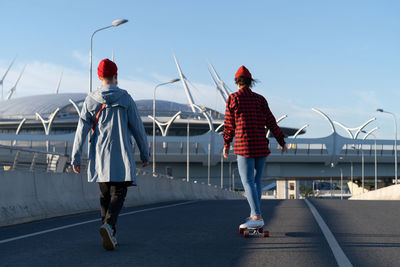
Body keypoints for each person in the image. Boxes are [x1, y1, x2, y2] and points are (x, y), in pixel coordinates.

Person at [71, 59, 150, 251]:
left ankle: (109, 232)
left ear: (99, 77)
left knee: (104, 195)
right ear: (115, 76)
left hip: (99, 157)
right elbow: (138, 128)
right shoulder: (125, 98)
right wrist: (145, 153)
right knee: (119, 194)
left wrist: (75, 157)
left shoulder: (90, 100)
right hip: (121, 156)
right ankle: (109, 226)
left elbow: (81, 130)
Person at [223, 65, 287, 229]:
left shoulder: (233, 98)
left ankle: (257, 217)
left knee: (247, 181)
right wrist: (281, 141)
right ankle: (254, 214)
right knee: (257, 181)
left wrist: (226, 144)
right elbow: (271, 122)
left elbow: (229, 126)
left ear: (237, 82)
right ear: (251, 82)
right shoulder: (260, 99)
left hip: (244, 146)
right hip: (261, 146)